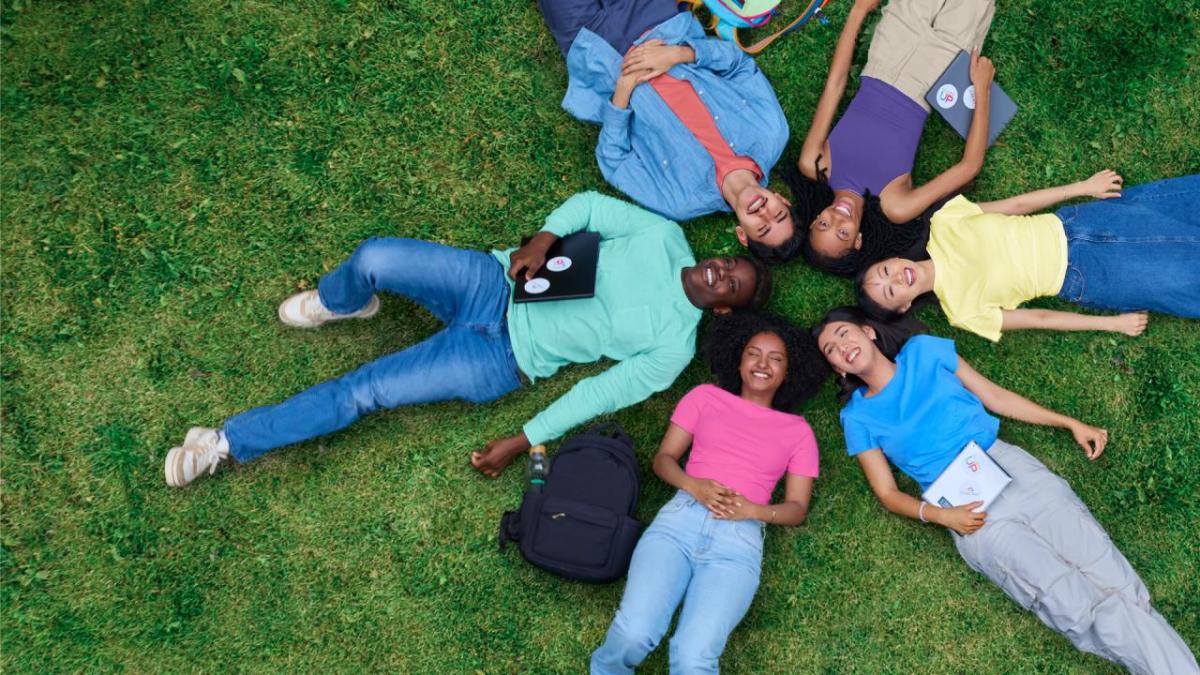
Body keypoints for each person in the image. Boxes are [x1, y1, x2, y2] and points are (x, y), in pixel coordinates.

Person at [163, 192, 772, 487]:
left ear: (724, 309)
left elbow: (595, 395)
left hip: (499, 359)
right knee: (374, 256)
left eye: (733, 285)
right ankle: (344, 300)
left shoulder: (674, 347)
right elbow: (590, 208)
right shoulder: (665, 235)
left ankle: (223, 443)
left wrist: (521, 440)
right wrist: (543, 238)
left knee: (364, 392)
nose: (722, 270)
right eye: (729, 262)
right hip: (493, 281)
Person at [812, 306, 1200, 675]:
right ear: (836, 367)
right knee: (1072, 606)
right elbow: (887, 492)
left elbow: (994, 397)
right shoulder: (857, 416)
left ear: (868, 330)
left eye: (843, 333)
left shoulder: (924, 351)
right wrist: (942, 516)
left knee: (1112, 576)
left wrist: (1068, 423)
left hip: (1010, 468)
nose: (842, 347)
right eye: (831, 350)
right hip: (967, 510)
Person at [591, 312, 827, 674]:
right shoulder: (705, 397)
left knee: (693, 655)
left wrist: (754, 510)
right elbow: (663, 460)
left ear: (788, 371)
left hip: (738, 545)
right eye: (754, 353)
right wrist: (693, 486)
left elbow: (797, 509)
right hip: (677, 524)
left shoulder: (798, 432)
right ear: (739, 357)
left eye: (776, 358)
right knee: (634, 633)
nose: (763, 364)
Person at [756, 0, 996, 270]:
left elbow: (835, 85)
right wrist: (981, 89)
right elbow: (969, 167)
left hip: (888, 50)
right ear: (858, 240)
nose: (837, 217)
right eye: (843, 233)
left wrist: (858, 11)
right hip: (934, 76)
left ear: (815, 219)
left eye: (824, 224)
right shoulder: (895, 205)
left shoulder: (816, 163)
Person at [539, 0, 794, 239]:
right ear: (782, 200)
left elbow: (614, 161)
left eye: (761, 229)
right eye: (778, 214)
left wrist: (623, 88)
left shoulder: (680, 202)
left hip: (597, 54)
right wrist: (677, 55)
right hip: (656, 19)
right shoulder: (772, 133)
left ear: (742, 235)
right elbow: (739, 65)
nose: (764, 213)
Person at [855, 172, 1200, 341]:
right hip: (1084, 274)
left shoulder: (943, 222)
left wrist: (1082, 187)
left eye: (886, 270)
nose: (896, 277)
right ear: (903, 307)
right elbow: (1039, 319)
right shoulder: (962, 311)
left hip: (1073, 223)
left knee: (1173, 212)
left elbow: (1016, 206)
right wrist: (1111, 323)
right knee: (1184, 276)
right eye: (890, 290)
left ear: (895, 258)